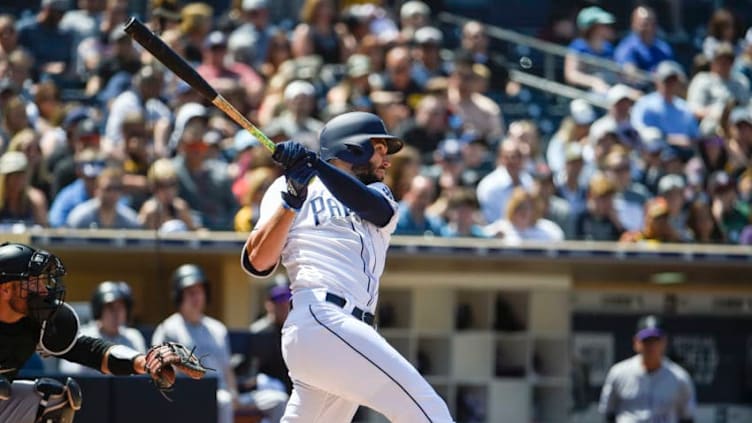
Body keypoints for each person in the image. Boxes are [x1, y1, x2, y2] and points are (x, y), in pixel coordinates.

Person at [242, 111, 454, 421]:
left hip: (346, 334)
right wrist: (291, 200)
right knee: (428, 411)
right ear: (351, 148)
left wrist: (315, 165)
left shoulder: (380, 194)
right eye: (379, 149)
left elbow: (373, 209)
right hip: (320, 317)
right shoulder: (288, 187)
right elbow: (258, 263)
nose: (387, 160)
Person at [0, 242, 200, 423]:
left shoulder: (36, 321)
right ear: (6, 289)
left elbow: (90, 351)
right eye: (34, 282)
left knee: (52, 400)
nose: (43, 290)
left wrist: (144, 362)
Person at [152, 264, 287, 423]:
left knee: (278, 400)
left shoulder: (216, 328)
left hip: (226, 394)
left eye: (200, 291)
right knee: (223, 401)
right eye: (190, 292)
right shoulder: (168, 328)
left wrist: (234, 394)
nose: (196, 297)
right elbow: (159, 371)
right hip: (192, 397)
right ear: (179, 295)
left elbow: (227, 369)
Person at [599, 315, 696, 422]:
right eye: (646, 341)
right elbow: (608, 413)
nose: (651, 346)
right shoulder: (619, 372)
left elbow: (687, 418)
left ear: (664, 342)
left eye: (655, 341)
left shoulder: (680, 377)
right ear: (636, 342)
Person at [59, 280, 146, 375]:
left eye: (120, 308)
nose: (116, 314)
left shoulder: (134, 337)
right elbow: (69, 373)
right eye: (110, 308)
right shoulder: (82, 337)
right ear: (99, 310)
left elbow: (142, 375)